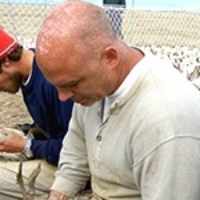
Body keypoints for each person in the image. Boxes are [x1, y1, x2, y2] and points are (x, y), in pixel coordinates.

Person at [36, 1, 200, 199]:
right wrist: (60, 191)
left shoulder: (165, 120)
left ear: (111, 58)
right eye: (57, 86)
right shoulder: (92, 88)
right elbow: (76, 148)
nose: (63, 97)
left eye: (72, 84)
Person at [0, 28, 74, 199]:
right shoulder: (30, 74)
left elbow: (78, 151)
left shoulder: (54, 81)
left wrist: (26, 146)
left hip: (71, 169)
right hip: (52, 148)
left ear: (6, 61)